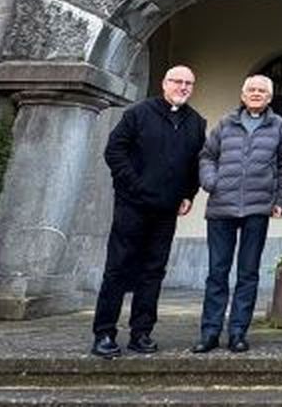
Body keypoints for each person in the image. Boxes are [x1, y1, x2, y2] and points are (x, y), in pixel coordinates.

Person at [91, 65, 206, 359]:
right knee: (118, 269)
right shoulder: (138, 113)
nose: (183, 87)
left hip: (166, 209)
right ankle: (104, 332)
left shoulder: (196, 122)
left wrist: (188, 194)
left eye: (188, 84)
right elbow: (114, 151)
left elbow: (194, 163)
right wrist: (134, 185)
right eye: (177, 81)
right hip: (132, 205)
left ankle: (141, 332)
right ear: (164, 83)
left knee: (153, 271)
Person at [191, 74, 282, 354]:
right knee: (217, 273)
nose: (257, 94)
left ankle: (238, 332)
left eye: (262, 90)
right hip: (221, 207)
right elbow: (207, 156)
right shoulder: (225, 123)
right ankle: (210, 332)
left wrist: (280, 199)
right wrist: (211, 182)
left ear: (270, 97)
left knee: (248, 274)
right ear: (243, 94)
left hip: (257, 208)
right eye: (252, 89)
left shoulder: (278, 126)